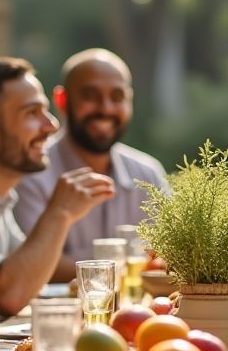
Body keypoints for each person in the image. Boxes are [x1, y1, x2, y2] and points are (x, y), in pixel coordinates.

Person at [0, 58, 114, 315]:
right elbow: (6, 295)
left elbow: (28, 276)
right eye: (32, 113)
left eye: (46, 111)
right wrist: (60, 213)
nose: (52, 125)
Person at [13, 48, 168, 279]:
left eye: (117, 97)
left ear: (129, 100)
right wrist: (131, 268)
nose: (105, 109)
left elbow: (172, 253)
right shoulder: (30, 172)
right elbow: (29, 263)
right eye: (90, 96)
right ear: (62, 101)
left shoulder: (148, 174)